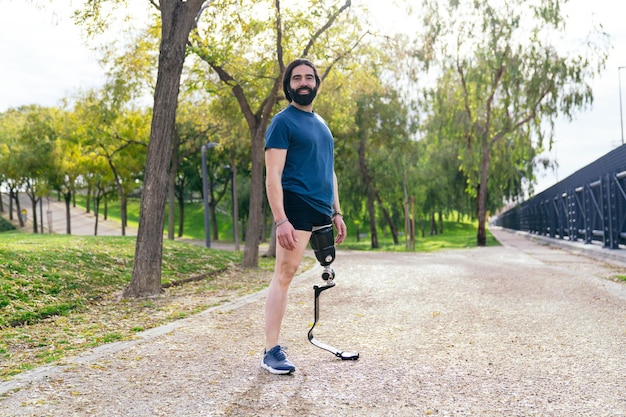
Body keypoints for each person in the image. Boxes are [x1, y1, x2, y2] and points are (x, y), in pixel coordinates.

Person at [262, 58, 347, 374]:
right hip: (294, 205)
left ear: (316, 84)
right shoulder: (282, 123)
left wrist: (336, 211)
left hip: (321, 209)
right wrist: (280, 219)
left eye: (309, 77)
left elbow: (330, 170)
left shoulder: (322, 124)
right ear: (289, 86)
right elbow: (273, 175)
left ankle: (274, 349)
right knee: (285, 274)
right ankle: (271, 351)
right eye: (296, 78)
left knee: (297, 273)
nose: (303, 82)